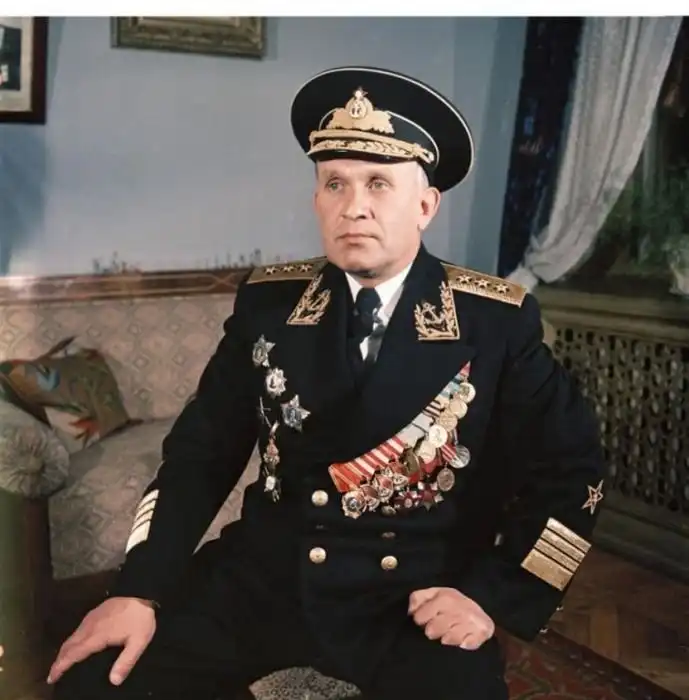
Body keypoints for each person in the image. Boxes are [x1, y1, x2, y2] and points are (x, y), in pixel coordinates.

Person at [47, 66, 606, 700]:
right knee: (93, 684)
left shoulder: (494, 321)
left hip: (412, 596)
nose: (353, 206)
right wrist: (138, 589)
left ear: (425, 206)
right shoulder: (269, 304)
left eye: (378, 183)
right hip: (265, 577)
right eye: (334, 183)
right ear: (316, 199)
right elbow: (200, 456)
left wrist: (490, 596)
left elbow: (573, 473)